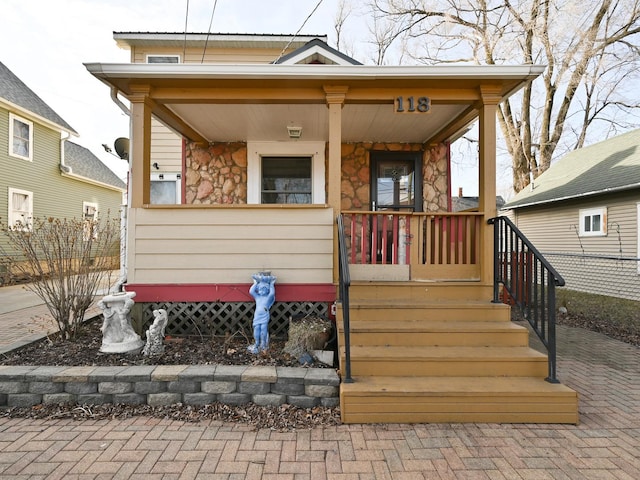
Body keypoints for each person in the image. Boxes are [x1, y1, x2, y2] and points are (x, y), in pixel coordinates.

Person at [248, 272, 276, 353]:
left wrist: (271, 284)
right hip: (257, 316)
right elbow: (251, 292)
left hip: (264, 315)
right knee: (256, 328)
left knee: (263, 328)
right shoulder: (258, 297)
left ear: (267, 290)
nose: (262, 291)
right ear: (258, 290)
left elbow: (272, 293)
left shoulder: (267, 298)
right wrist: (255, 283)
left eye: (264, 289)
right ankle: (256, 343)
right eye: (260, 289)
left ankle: (263, 344)